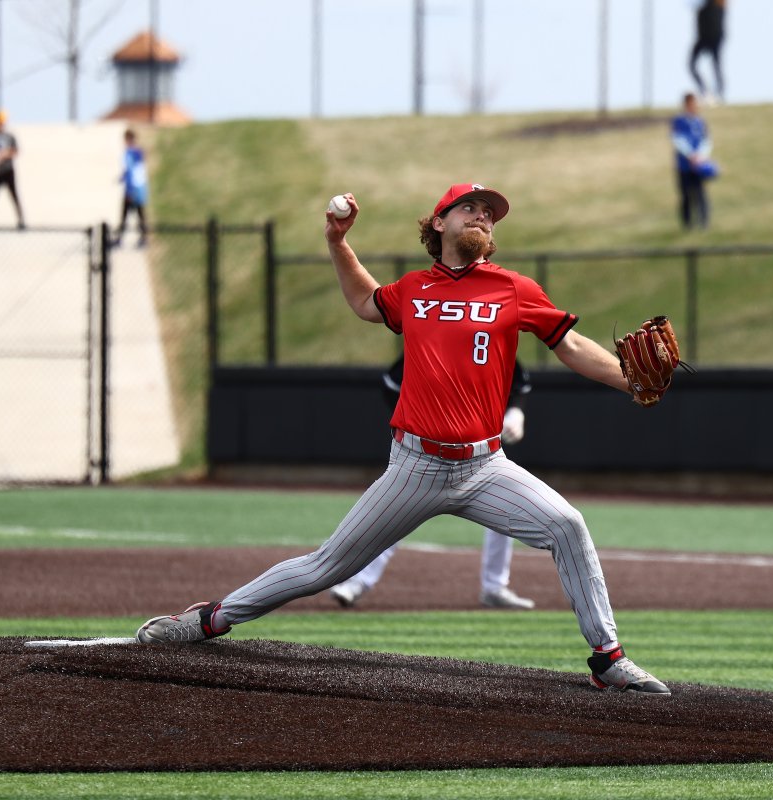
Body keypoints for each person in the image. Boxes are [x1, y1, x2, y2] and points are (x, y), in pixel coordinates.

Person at [136, 183, 673, 694]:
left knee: (567, 525)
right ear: (439, 222)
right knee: (327, 566)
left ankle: (608, 659)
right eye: (470, 207)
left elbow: (571, 344)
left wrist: (629, 380)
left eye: (489, 211)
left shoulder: (514, 288)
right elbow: (367, 303)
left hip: (486, 466)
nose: (483, 215)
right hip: (415, 467)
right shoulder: (415, 289)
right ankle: (210, 619)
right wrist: (336, 241)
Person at [329, 355, 536, 610]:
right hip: (427, 454)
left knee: (505, 505)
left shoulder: (493, 337)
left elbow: (517, 387)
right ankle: (357, 581)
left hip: (478, 455)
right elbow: (392, 386)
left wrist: (515, 413)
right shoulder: (432, 339)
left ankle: (495, 587)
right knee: (397, 511)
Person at [672, 93, 716, 230]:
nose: (694, 106)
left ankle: (704, 222)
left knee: (701, 194)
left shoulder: (700, 121)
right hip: (684, 166)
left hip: (699, 165)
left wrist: (700, 156)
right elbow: (677, 140)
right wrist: (690, 155)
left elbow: (706, 140)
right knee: (686, 195)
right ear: (685, 105)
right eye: (691, 103)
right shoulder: (679, 121)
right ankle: (687, 224)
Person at [113, 128, 149, 248]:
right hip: (136, 187)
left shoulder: (133, 153)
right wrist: (122, 178)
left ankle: (141, 239)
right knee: (135, 214)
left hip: (135, 187)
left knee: (133, 214)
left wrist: (131, 189)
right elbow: (129, 170)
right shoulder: (133, 152)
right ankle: (141, 238)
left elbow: (132, 171)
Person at [689, 0, 726, 104]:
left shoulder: (718, 5)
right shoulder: (703, 5)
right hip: (703, 38)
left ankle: (719, 93)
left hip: (714, 38)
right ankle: (705, 91)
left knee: (716, 67)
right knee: (692, 65)